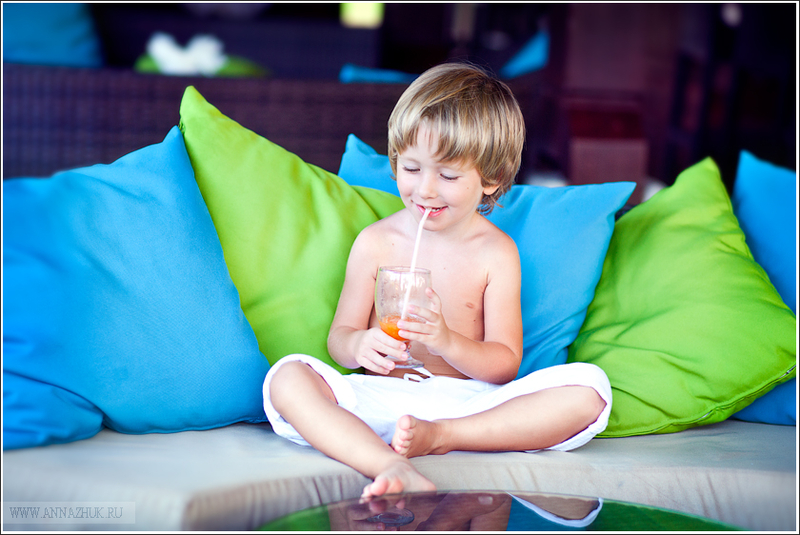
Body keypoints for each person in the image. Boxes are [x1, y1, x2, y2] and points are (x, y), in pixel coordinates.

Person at [264, 61, 611, 501]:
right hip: (380, 399)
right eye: (411, 169)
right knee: (287, 377)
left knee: (590, 390)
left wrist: (446, 341)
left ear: (490, 180)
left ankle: (442, 437)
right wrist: (359, 345)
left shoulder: (496, 253)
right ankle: (387, 463)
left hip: (470, 407)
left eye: (447, 175)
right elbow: (340, 338)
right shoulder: (375, 242)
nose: (425, 190)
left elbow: (505, 364)